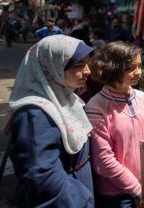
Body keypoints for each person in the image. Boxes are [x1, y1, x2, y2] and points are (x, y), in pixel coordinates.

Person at [7, 35, 94, 207]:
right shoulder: (35, 115)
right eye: (78, 65)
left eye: (87, 63)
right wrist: (83, 200)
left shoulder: (63, 96)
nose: (88, 71)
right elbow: (42, 177)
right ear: (51, 68)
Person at [86, 42, 144, 207]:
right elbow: (103, 161)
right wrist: (137, 190)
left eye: (140, 66)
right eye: (131, 67)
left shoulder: (143, 98)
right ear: (113, 68)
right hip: (117, 195)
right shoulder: (96, 107)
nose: (138, 72)